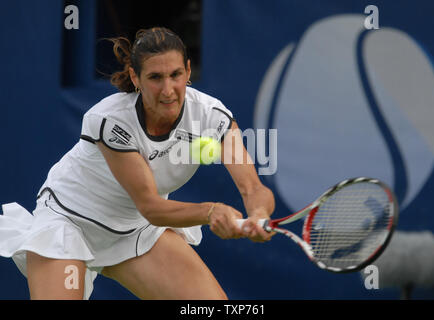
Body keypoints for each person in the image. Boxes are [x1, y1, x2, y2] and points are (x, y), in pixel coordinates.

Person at [0, 27, 275, 300]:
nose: (168, 90)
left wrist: (259, 213)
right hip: (70, 221)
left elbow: (253, 188)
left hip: (135, 233)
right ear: (136, 77)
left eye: (175, 75)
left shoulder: (213, 118)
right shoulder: (112, 120)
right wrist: (210, 211)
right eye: (155, 77)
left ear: (188, 72)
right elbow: (151, 207)